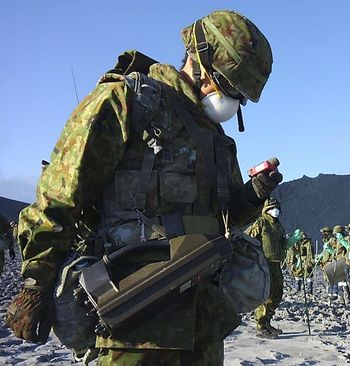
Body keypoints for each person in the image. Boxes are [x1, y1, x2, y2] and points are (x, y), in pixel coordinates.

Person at [6, 10, 280, 365]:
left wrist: (254, 193)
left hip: (204, 324)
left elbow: (220, 220)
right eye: (228, 85)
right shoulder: (127, 102)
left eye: (240, 95)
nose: (232, 102)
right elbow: (58, 198)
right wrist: (35, 284)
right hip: (130, 323)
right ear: (199, 57)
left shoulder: (215, 139)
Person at [246, 198, 295, 339]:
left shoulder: (278, 226)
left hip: (276, 263)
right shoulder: (261, 222)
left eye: (278, 208)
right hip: (263, 263)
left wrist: (291, 241)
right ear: (266, 210)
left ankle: (267, 322)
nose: (276, 211)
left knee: (277, 294)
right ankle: (260, 326)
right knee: (266, 295)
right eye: (273, 208)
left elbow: (282, 244)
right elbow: (249, 239)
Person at [287, 230, 315, 295]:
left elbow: (310, 254)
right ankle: (297, 288)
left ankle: (309, 290)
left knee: (308, 275)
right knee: (297, 274)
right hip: (299, 261)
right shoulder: (297, 243)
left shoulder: (308, 243)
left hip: (306, 260)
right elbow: (293, 252)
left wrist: (310, 263)